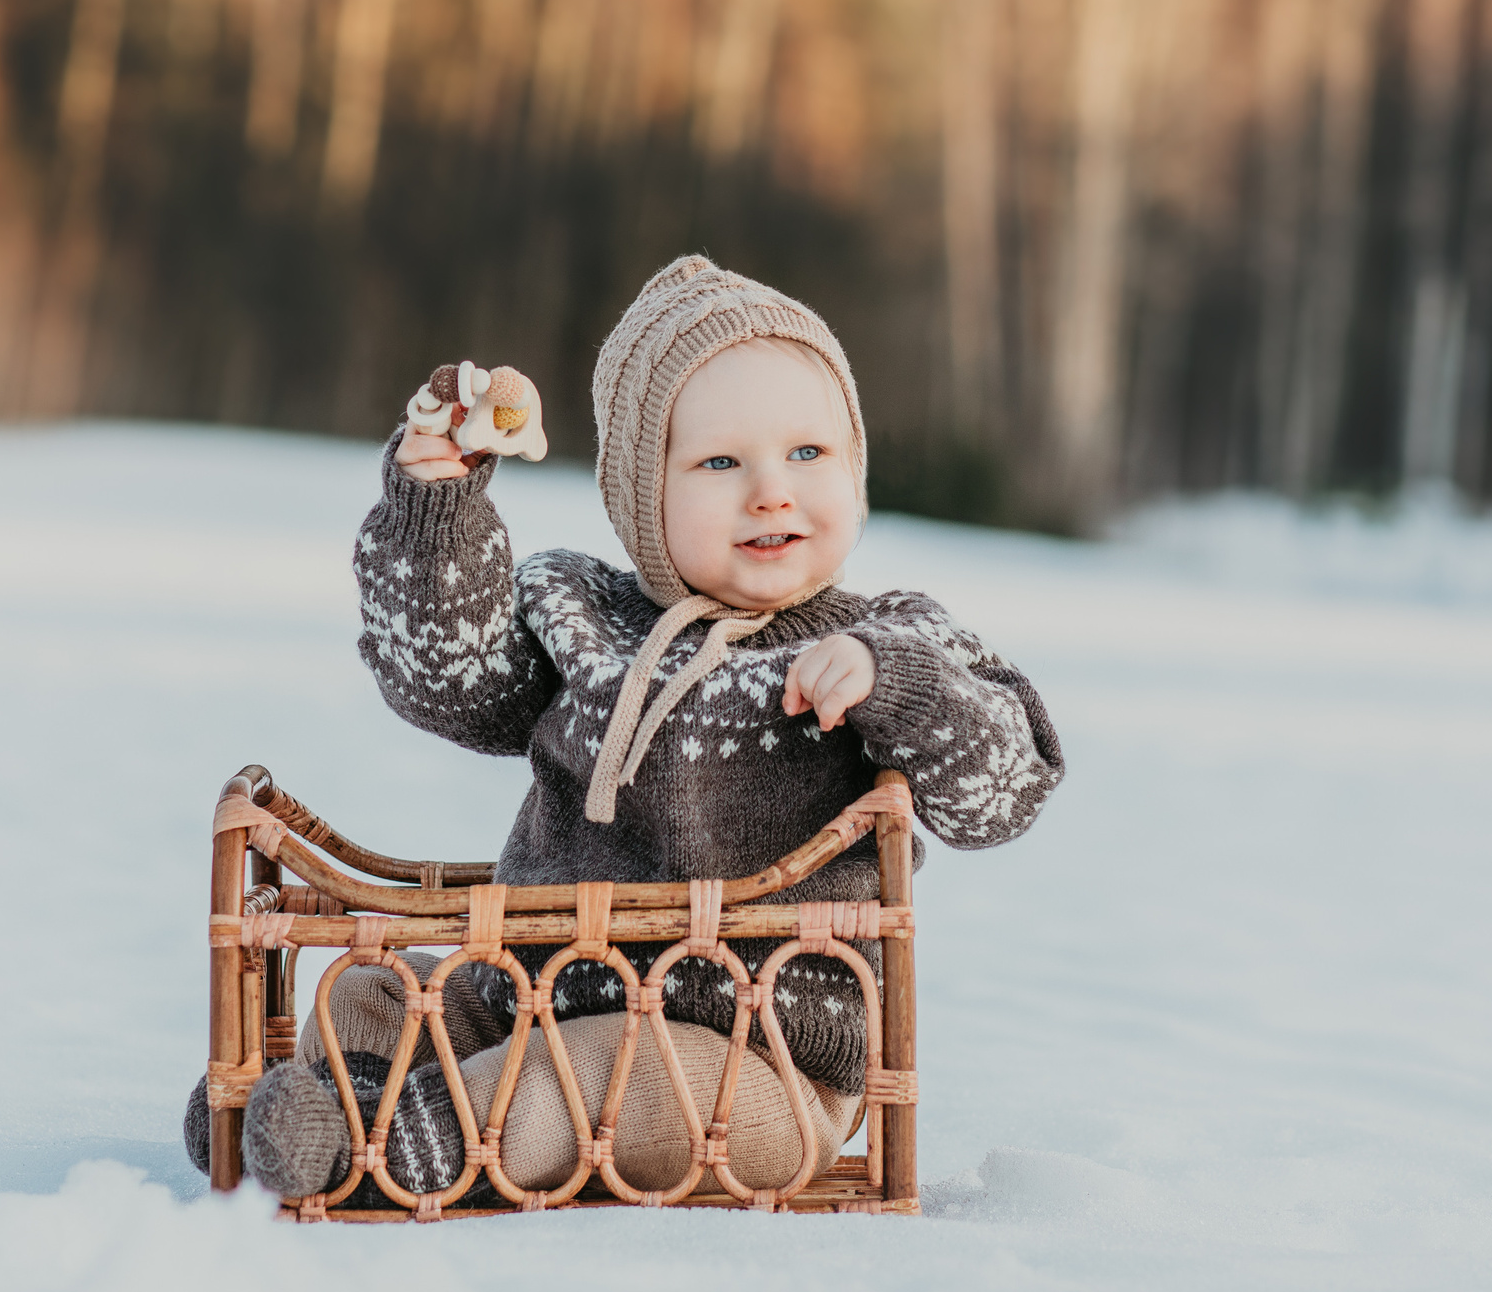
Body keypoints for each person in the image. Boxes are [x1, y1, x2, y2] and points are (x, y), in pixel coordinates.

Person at [187, 256, 1064, 1200]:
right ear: (642, 495)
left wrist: (904, 687)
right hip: (524, 1000)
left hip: (755, 1066)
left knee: (621, 1061)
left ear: (855, 464)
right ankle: (323, 1105)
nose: (772, 490)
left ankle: (405, 1141)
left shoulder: (888, 638)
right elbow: (451, 682)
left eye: (808, 453)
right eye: (721, 462)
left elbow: (1007, 787)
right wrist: (435, 503)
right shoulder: (585, 619)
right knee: (374, 990)